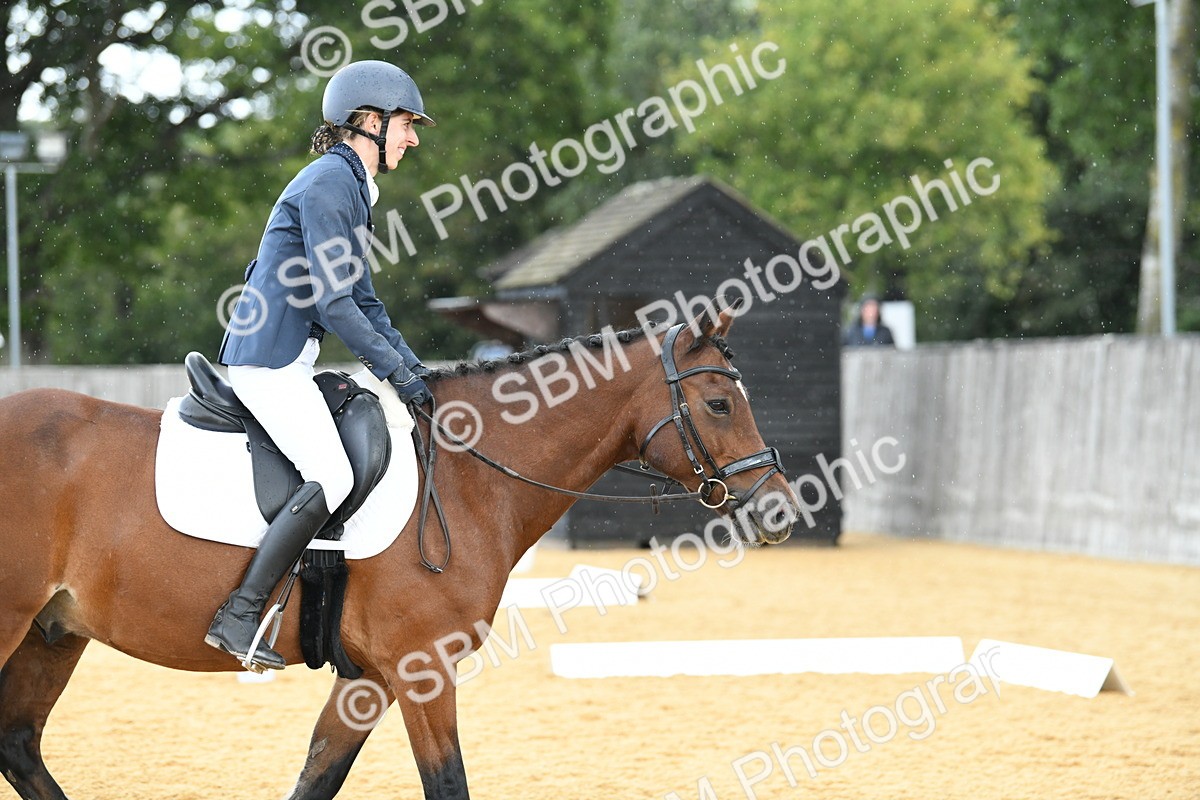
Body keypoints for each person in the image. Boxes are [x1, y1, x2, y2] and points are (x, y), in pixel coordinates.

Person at [206, 60, 435, 671]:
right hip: (269, 361)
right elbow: (335, 302)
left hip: (287, 356)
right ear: (368, 121)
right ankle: (240, 614)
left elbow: (362, 299)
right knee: (332, 475)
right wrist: (396, 374)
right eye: (406, 124)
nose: (413, 138)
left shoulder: (350, 185)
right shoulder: (333, 185)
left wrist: (414, 370)